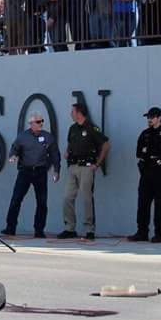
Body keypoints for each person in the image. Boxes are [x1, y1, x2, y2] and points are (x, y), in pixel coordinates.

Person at [56, 103, 110, 240]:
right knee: (67, 197)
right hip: (73, 167)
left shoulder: (92, 128)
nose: (71, 114)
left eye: (72, 111)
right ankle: (69, 228)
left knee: (87, 198)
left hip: (86, 167)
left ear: (79, 113)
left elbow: (105, 145)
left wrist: (97, 164)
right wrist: (67, 152)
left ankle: (89, 230)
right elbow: (70, 143)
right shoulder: (72, 128)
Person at [3, 111, 60, 238]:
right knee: (16, 199)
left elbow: (55, 154)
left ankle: (39, 230)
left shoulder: (48, 137)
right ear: (31, 123)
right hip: (25, 171)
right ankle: (10, 227)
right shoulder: (23, 137)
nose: (41, 124)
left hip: (40, 171)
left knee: (42, 202)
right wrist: (13, 156)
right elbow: (15, 148)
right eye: (38, 122)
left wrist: (56, 170)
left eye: (42, 121)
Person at [128, 107, 161, 243]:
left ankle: (159, 233)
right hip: (146, 172)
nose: (149, 119)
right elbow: (139, 152)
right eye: (148, 117)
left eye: (152, 117)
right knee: (143, 203)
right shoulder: (145, 134)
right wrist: (150, 155)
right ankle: (142, 232)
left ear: (159, 117)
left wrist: (150, 154)